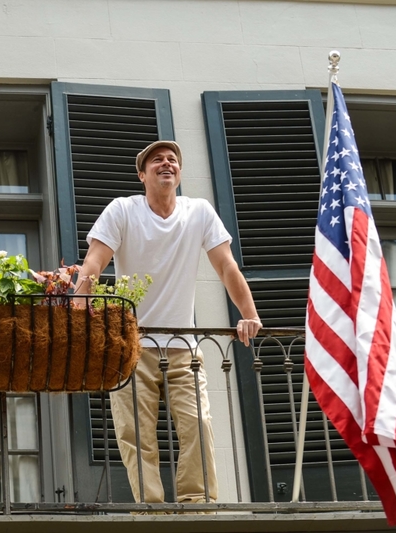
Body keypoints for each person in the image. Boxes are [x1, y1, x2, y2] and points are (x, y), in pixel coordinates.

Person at [76, 140, 262, 505]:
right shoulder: (122, 210)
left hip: (184, 349)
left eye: (173, 160)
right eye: (157, 160)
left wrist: (250, 314)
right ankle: (153, 513)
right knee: (136, 435)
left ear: (178, 174)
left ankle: (198, 510)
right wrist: (79, 310)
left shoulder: (199, 212)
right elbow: (94, 263)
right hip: (132, 347)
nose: (166, 163)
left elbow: (226, 266)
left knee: (198, 426)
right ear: (142, 174)